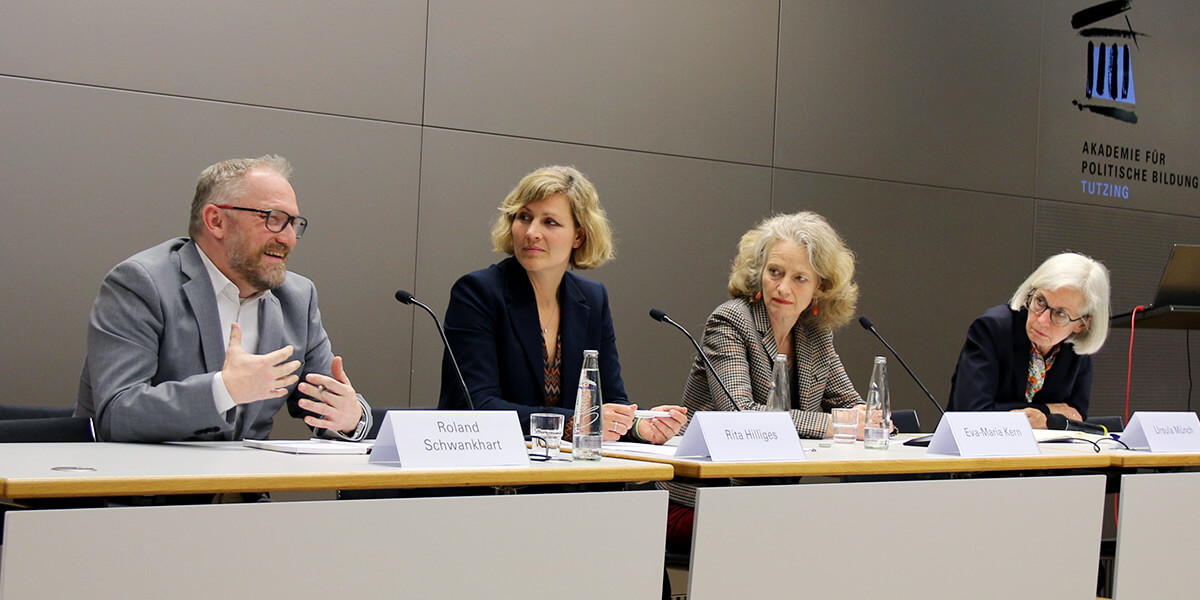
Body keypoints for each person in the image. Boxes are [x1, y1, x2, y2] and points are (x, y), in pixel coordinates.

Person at [76, 155, 371, 443]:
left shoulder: (297, 297)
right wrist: (223, 390)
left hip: (244, 491)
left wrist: (350, 418)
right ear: (216, 221)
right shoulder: (142, 283)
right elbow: (117, 414)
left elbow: (324, 400)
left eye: (293, 223)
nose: (289, 238)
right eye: (273, 219)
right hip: (151, 489)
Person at [660, 211, 864, 552]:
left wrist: (868, 415)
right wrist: (838, 424)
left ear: (820, 288)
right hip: (699, 499)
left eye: (800, 278)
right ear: (759, 273)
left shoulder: (815, 335)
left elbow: (849, 402)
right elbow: (743, 413)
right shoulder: (730, 321)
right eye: (775, 272)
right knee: (804, 538)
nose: (783, 287)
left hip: (765, 499)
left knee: (839, 529)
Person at [438, 165, 686, 443]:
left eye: (550, 222)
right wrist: (573, 424)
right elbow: (477, 406)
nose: (531, 232)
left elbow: (611, 402)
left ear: (578, 236)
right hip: (489, 470)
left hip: (561, 473)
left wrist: (640, 425)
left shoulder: (592, 299)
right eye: (524, 217)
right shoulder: (478, 293)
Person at [947, 252, 1110, 428]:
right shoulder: (993, 330)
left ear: (1081, 325)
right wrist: (1047, 412)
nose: (1042, 320)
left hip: (1047, 454)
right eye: (1040, 301)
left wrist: (1044, 419)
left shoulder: (1075, 349)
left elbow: (1077, 418)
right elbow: (970, 414)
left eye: (1060, 314)